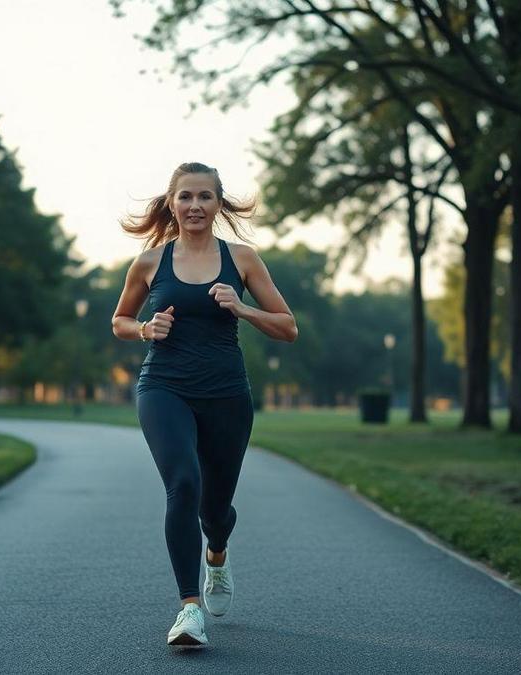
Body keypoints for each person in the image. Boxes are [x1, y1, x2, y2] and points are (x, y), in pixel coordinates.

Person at [111, 162, 298, 647]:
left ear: (219, 203)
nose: (195, 206)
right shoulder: (150, 262)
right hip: (163, 387)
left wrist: (242, 308)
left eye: (205, 197)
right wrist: (145, 329)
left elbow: (287, 326)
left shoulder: (243, 259)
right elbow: (120, 320)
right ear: (171, 203)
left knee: (215, 511)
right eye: (186, 197)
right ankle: (188, 609)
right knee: (184, 483)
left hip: (226, 395)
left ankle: (217, 553)